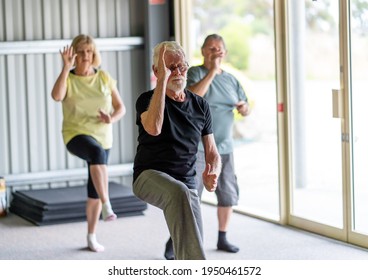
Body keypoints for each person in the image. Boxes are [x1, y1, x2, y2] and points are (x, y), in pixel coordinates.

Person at [133, 41, 221, 260]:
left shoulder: (200, 105)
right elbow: (154, 128)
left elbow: (212, 152)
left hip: (186, 185)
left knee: (192, 244)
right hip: (148, 177)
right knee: (178, 192)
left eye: (181, 66)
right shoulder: (146, 100)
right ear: (157, 70)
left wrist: (214, 172)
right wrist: (162, 80)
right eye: (170, 67)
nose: (178, 72)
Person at [51, 34, 126, 253]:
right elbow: (56, 96)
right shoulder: (70, 78)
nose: (86, 55)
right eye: (81, 51)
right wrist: (66, 68)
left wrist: (111, 118)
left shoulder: (103, 77)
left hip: (103, 136)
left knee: (93, 186)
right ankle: (107, 202)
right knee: (95, 153)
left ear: (94, 54)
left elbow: (120, 107)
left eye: (89, 51)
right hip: (75, 134)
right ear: (74, 53)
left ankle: (91, 236)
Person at [187, 34, 251, 253]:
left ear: (224, 53)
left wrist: (244, 109)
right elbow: (192, 99)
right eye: (211, 48)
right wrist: (212, 71)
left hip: (224, 147)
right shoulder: (195, 73)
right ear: (203, 51)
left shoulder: (232, 80)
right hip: (197, 148)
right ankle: (178, 240)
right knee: (190, 195)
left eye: (219, 49)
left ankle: (222, 238)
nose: (215, 52)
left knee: (227, 193)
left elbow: (246, 107)